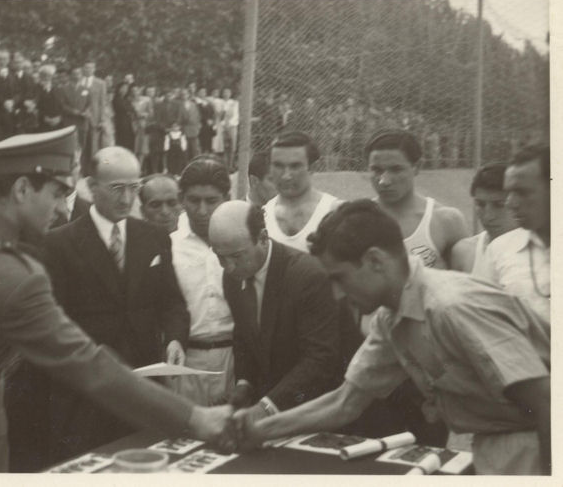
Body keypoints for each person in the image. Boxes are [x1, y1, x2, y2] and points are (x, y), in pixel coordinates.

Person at [0, 129, 233, 472]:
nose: (61, 209)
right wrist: (195, 418)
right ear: (23, 189)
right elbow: (88, 366)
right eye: (57, 194)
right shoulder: (16, 275)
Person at [236, 200, 551, 475]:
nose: (336, 294)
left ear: (375, 261)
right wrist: (260, 428)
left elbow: (548, 401)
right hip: (499, 442)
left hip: (536, 439)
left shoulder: (449, 306)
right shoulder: (391, 317)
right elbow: (346, 402)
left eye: (340, 278)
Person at [43, 146, 191, 460]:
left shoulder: (153, 237)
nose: (127, 199)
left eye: (134, 188)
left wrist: (176, 338)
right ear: (91, 187)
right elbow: (55, 322)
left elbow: (172, 302)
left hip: (146, 386)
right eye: (116, 189)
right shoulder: (59, 243)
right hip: (87, 393)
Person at [210, 200, 341, 426]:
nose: (228, 267)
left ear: (262, 238)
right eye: (220, 257)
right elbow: (245, 337)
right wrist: (243, 386)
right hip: (267, 411)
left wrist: (266, 408)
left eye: (236, 256)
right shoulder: (232, 278)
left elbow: (320, 358)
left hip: (311, 412)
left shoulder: (307, 276)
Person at [170, 158, 235, 405]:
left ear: (226, 198)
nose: (202, 210)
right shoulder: (169, 246)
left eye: (211, 201)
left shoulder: (240, 243)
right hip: (186, 361)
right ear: (182, 199)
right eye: (194, 200)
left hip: (233, 359)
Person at [365, 129, 468, 269]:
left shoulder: (446, 220)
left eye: (396, 170)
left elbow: (466, 285)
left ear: (417, 167)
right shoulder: (355, 219)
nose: (384, 181)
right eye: (377, 170)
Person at [480, 145, 550, 323]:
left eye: (522, 192)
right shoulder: (499, 250)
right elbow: (483, 322)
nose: (511, 203)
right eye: (509, 192)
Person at [263, 131, 341, 252]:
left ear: (313, 167)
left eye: (295, 166)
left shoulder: (335, 212)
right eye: (278, 166)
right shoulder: (263, 216)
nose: (286, 176)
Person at [450, 162, 517, 274]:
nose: (488, 216)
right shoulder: (464, 252)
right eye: (480, 204)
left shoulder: (540, 251)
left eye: (499, 205)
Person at [80, 59, 109, 175]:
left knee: (93, 145)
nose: (88, 70)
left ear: (94, 69)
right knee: (81, 145)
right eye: (86, 67)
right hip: (80, 118)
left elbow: (102, 103)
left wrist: (102, 119)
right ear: (83, 69)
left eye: (90, 68)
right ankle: (81, 170)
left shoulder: (100, 83)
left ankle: (92, 171)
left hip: (95, 119)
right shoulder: (79, 82)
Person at [178, 87, 201, 159]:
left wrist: (197, 127)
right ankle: (186, 165)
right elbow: (179, 118)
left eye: (185, 94)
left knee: (195, 148)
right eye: (182, 95)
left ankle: (196, 162)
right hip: (185, 129)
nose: (184, 96)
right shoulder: (180, 105)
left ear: (188, 95)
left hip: (193, 129)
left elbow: (198, 116)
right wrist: (181, 126)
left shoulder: (193, 104)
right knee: (186, 148)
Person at [112, 82, 136, 151]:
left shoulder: (126, 99)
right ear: (119, 89)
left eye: (126, 88)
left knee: (129, 142)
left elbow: (133, 110)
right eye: (123, 88)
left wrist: (130, 111)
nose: (125, 90)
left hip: (128, 124)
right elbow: (123, 108)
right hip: (120, 123)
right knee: (122, 143)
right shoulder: (116, 99)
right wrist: (129, 111)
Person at [196, 87, 215, 155]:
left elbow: (212, 112)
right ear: (198, 93)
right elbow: (197, 114)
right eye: (201, 92)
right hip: (201, 125)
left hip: (209, 126)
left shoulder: (208, 102)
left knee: (209, 143)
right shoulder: (196, 102)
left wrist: (211, 120)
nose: (203, 93)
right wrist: (205, 120)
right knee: (202, 143)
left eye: (204, 92)